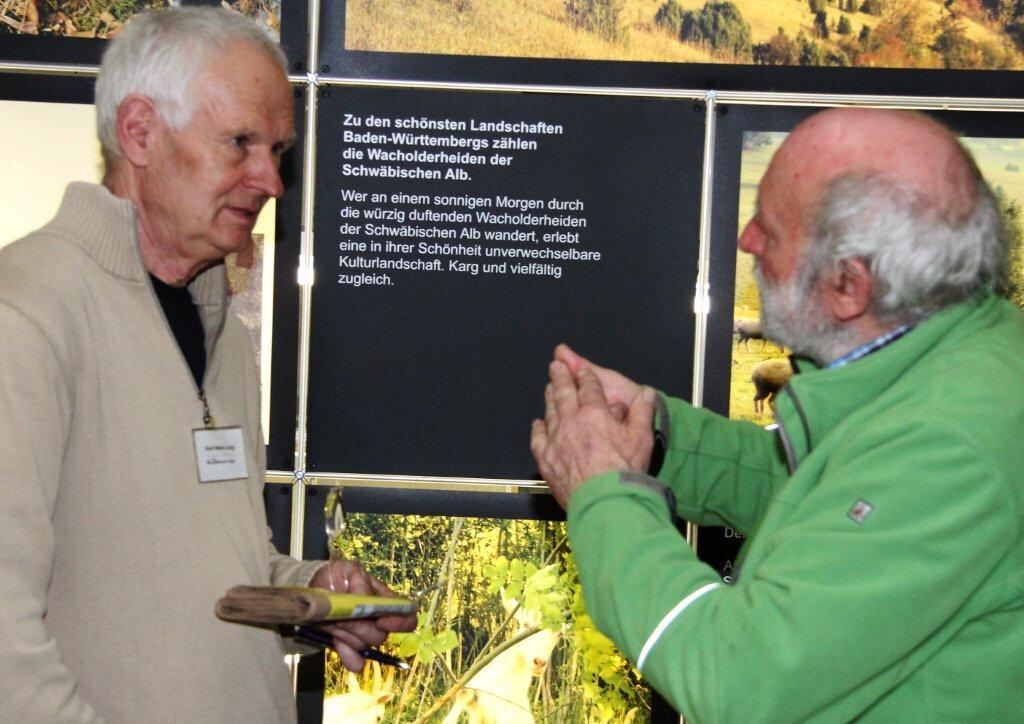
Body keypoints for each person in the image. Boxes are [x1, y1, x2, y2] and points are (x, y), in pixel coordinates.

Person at [530, 108, 1024, 721]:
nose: (746, 241)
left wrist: (604, 494)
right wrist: (660, 438)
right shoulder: (960, 355)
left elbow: (739, 679)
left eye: (771, 227)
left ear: (849, 287)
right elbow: (831, 494)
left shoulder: (950, 444)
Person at [0, 8, 414, 722]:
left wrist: (313, 595)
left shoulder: (216, 319)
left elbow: (216, 575)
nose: (272, 182)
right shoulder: (29, 314)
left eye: (277, 149)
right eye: (240, 143)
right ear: (139, 134)